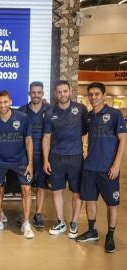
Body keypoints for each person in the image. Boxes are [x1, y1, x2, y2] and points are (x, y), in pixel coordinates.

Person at [76, 82, 126, 253]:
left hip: (108, 169)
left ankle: (110, 236)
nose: (93, 97)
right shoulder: (89, 116)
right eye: (90, 94)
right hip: (90, 167)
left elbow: (123, 140)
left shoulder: (115, 114)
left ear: (103, 95)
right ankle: (92, 231)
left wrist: (117, 164)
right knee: (90, 201)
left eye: (96, 94)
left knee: (112, 204)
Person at [42, 80, 88, 239]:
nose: (62, 94)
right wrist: (46, 160)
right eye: (59, 92)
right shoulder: (49, 113)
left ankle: (74, 222)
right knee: (57, 191)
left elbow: (85, 132)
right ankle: (61, 222)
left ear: (70, 91)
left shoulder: (81, 109)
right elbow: (46, 138)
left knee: (77, 192)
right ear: (55, 94)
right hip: (56, 158)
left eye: (65, 91)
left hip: (76, 157)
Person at [0, 90, 34, 238]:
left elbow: (28, 140)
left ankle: (26, 223)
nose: (2, 105)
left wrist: (30, 163)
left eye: (5, 102)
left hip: (20, 160)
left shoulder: (23, 118)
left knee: (26, 189)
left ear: (10, 102)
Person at [18, 81, 51, 228]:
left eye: (39, 92)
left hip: (44, 156)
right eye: (33, 92)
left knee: (41, 186)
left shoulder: (50, 110)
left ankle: (38, 214)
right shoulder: (21, 111)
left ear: (43, 94)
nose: (36, 95)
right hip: (26, 156)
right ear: (29, 93)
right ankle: (25, 213)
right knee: (26, 186)